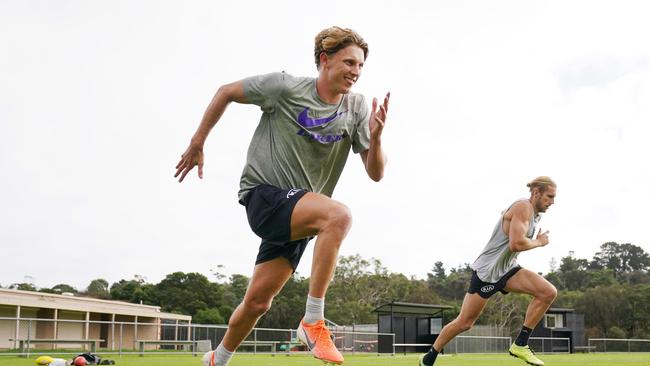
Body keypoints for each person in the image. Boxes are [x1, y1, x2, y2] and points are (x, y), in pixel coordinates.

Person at [174, 26, 389, 366]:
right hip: (265, 196)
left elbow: (376, 173)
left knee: (258, 302)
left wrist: (376, 139)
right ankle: (313, 319)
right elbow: (226, 91)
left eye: (361, 65)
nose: (356, 72)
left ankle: (217, 359)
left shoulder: (357, 108)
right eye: (349, 62)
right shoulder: (285, 88)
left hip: (302, 213)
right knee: (340, 215)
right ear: (324, 60)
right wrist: (197, 142)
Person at [419, 176, 558, 366]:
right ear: (536, 193)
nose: (552, 202)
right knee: (465, 323)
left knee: (548, 292)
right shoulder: (522, 207)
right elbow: (516, 243)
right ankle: (430, 356)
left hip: (508, 270)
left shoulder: (532, 214)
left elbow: (510, 228)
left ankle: (520, 344)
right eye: (549, 196)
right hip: (487, 273)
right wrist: (539, 242)